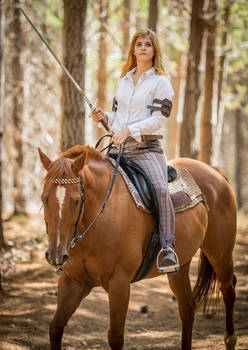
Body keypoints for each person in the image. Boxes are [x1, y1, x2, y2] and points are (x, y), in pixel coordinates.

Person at [92, 28, 179, 274]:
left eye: (147, 44)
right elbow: (118, 118)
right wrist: (103, 117)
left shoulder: (161, 82)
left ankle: (168, 248)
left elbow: (158, 119)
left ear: (154, 50)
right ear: (133, 49)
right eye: (138, 44)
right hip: (120, 148)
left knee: (161, 190)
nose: (142, 48)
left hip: (147, 149)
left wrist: (129, 129)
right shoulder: (124, 80)